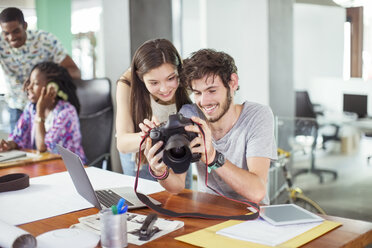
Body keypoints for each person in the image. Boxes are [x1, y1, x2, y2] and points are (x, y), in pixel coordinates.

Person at [143, 49, 277, 204]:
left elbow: (257, 192)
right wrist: (160, 172)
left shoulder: (257, 115)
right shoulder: (189, 115)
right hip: (209, 210)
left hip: (251, 215)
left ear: (233, 82)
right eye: (198, 93)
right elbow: (177, 186)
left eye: (212, 90)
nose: (204, 101)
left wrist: (213, 158)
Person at [116, 38, 194, 188]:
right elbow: (122, 143)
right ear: (140, 76)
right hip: (141, 158)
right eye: (154, 83)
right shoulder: (127, 84)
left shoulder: (187, 77)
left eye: (171, 78)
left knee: (182, 203)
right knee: (144, 206)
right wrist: (151, 135)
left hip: (179, 150)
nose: (164, 89)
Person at [0, 7, 81, 131]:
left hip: (47, 109)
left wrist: (41, 78)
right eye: (6, 33)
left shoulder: (45, 40)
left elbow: (75, 72)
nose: (11, 38)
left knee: (46, 148)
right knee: (17, 148)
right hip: (18, 108)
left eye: (16, 31)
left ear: (25, 26)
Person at [0, 62, 86, 163]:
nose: (29, 87)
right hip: (44, 166)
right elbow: (18, 137)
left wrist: (40, 112)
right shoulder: (31, 108)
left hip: (67, 169)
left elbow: (44, 148)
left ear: (52, 88)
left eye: (35, 84)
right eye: (30, 82)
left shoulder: (66, 112)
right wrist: (9, 144)